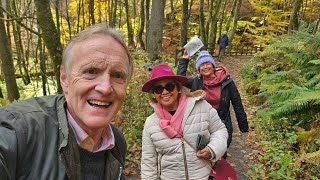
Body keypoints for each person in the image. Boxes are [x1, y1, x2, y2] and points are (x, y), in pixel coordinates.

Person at [0, 23, 133, 180]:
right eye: (91, 71)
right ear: (64, 79)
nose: (105, 88)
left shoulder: (115, 142)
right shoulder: (18, 131)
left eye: (117, 75)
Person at [140, 64, 228, 180]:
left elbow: (220, 130)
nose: (165, 92)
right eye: (158, 89)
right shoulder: (151, 123)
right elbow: (148, 161)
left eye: (170, 86)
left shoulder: (201, 106)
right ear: (154, 94)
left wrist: (213, 149)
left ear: (178, 88)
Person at [177, 50, 249, 152]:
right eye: (202, 65)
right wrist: (184, 60)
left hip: (222, 123)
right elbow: (180, 80)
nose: (205, 67)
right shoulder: (196, 81)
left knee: (219, 154)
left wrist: (243, 126)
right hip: (200, 124)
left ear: (213, 65)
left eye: (207, 63)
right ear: (198, 69)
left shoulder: (226, 81)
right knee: (201, 155)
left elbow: (237, 104)